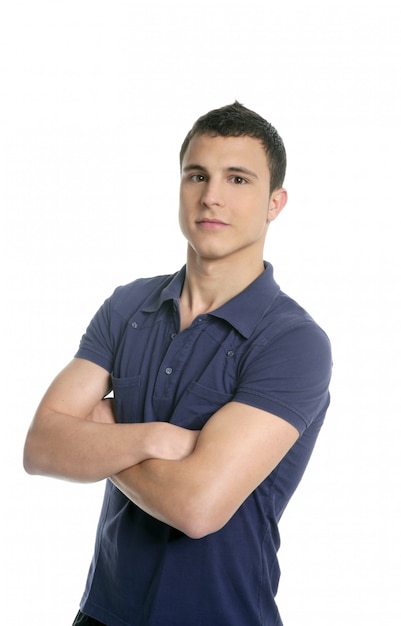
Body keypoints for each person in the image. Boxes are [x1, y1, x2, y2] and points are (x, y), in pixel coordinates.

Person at [23, 101, 332, 626]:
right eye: (197, 175)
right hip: (101, 613)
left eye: (238, 179)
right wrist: (153, 438)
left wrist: (108, 428)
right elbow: (41, 447)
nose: (212, 196)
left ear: (275, 203)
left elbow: (197, 510)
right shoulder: (128, 306)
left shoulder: (293, 341)